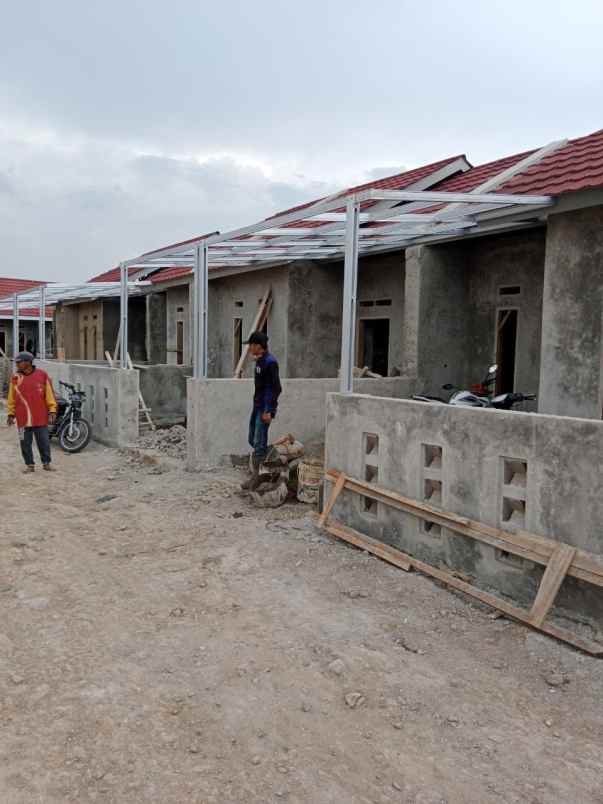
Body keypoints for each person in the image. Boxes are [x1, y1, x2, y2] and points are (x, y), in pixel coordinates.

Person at [241, 332, 282, 491]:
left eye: (251, 345)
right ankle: (265, 465)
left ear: (258, 346)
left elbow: (275, 388)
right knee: (253, 438)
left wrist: (269, 410)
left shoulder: (270, 363)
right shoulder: (260, 361)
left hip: (264, 408)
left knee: (258, 443)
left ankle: (257, 478)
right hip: (257, 406)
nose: (249, 348)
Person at [6, 351, 58, 473]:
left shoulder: (42, 375)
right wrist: (10, 414)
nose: (17, 364)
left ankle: (46, 463)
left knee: (44, 442)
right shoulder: (15, 378)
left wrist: (52, 410)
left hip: (40, 417)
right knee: (24, 443)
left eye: (19, 362)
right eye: (16, 362)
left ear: (28, 362)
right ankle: (30, 465)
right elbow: (11, 397)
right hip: (22, 418)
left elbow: (49, 395)